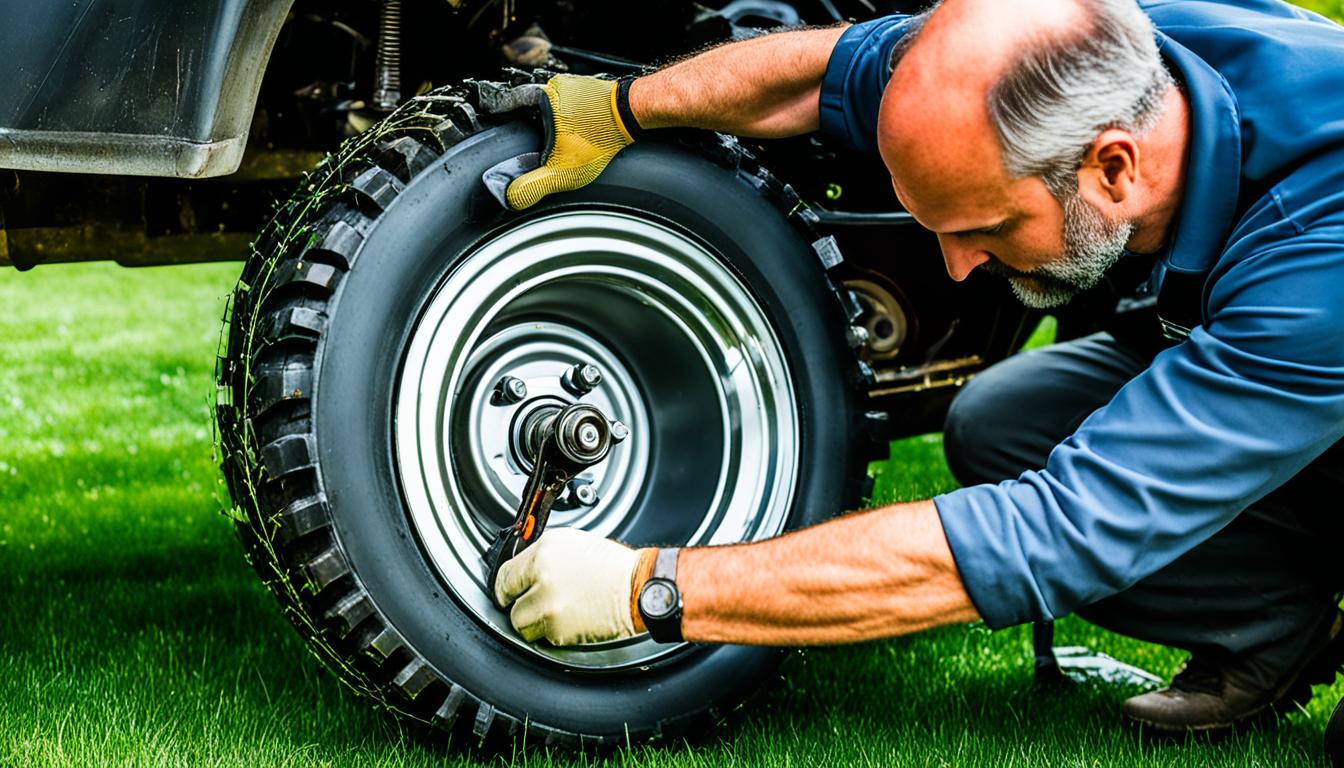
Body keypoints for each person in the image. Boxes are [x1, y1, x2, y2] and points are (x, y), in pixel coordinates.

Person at [493, 0, 1344, 745]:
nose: (957, 266)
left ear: (1115, 168)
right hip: (1269, 350)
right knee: (1006, 425)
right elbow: (820, 74)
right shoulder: (1071, 56)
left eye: (988, 225)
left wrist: (656, 589)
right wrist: (617, 108)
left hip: (1315, 330)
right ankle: (1271, 626)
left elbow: (1056, 534)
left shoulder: (1319, 257)